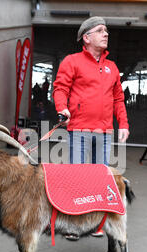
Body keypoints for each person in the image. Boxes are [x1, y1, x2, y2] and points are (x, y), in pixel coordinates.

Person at [53, 16, 129, 239]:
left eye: (106, 31)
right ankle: (73, 225)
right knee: (77, 177)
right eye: (100, 30)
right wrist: (62, 108)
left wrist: (123, 123)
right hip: (79, 130)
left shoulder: (112, 68)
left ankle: (95, 224)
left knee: (99, 179)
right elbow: (60, 89)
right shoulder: (72, 61)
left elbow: (118, 99)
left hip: (104, 132)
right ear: (86, 37)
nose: (106, 34)